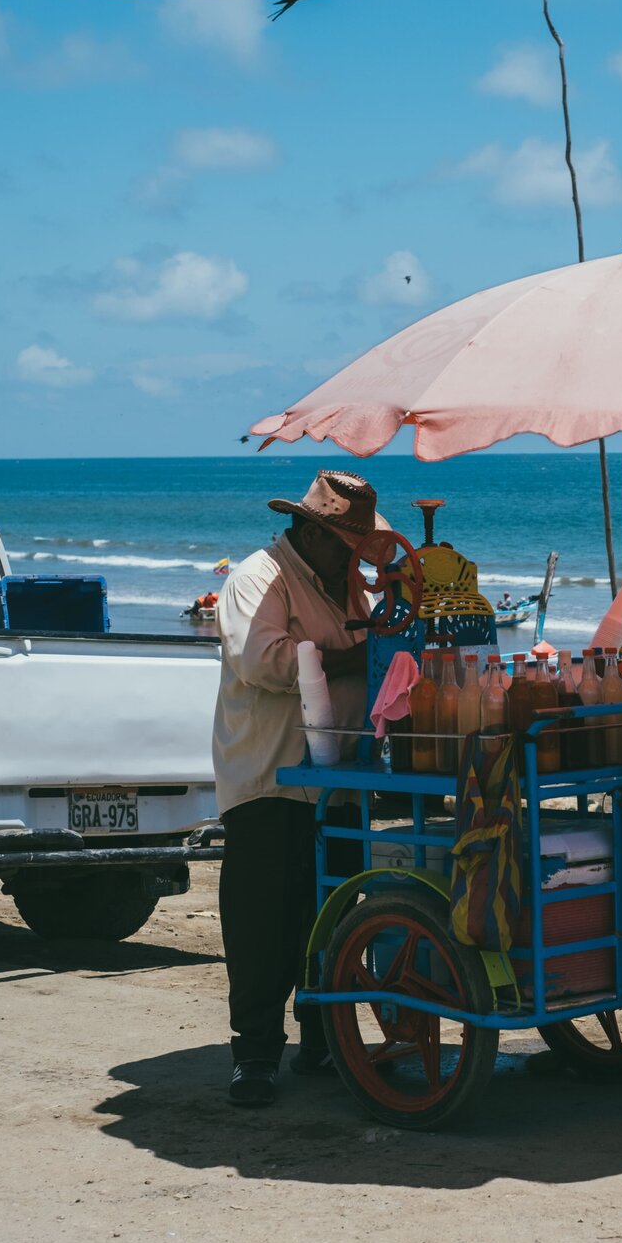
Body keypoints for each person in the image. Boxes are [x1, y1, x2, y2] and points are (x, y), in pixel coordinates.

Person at [213, 469, 385, 1109]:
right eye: (345, 542)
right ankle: (255, 1054)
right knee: (265, 923)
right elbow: (262, 659)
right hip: (271, 776)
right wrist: (347, 657)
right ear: (311, 531)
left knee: (334, 914)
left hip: (336, 779)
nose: (353, 555)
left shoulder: (347, 585)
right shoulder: (259, 578)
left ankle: (324, 1038)